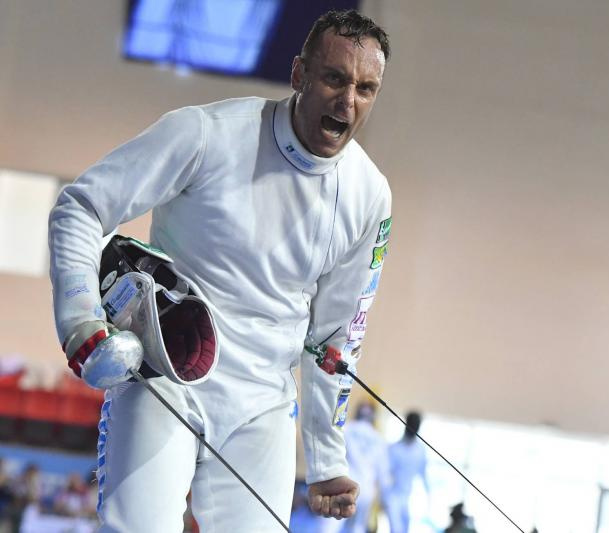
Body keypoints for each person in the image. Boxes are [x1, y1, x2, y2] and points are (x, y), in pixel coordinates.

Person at [48, 9, 392, 532]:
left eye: (365, 89)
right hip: (164, 377)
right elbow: (82, 206)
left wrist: (327, 459)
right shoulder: (207, 133)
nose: (348, 101)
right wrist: (80, 319)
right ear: (299, 74)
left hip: (263, 405)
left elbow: (335, 338)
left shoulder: (370, 196)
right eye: (334, 78)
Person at [321, 401, 391, 533]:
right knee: (356, 529)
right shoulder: (379, 439)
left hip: (344, 486)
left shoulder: (346, 429)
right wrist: (385, 499)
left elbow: (330, 456)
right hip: (366, 491)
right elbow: (383, 473)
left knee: (330, 527)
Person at [386, 411, 429, 533]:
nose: (414, 426)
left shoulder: (420, 450)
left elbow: (423, 475)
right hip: (393, 496)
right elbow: (385, 475)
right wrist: (385, 496)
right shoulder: (394, 448)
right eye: (412, 423)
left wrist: (428, 496)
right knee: (396, 530)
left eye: (417, 424)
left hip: (410, 497)